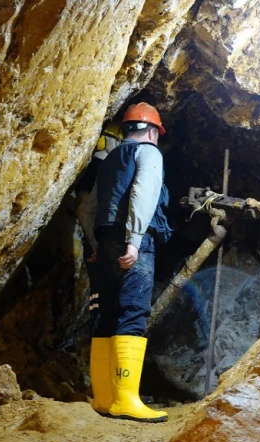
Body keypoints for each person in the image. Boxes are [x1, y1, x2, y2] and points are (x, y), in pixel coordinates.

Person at [89, 102, 172, 423]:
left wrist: (97, 244)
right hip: (133, 241)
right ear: (153, 131)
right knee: (132, 311)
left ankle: (103, 398)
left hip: (106, 242)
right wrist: (135, 241)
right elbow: (144, 192)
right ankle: (125, 399)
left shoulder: (109, 160)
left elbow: (89, 206)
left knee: (106, 313)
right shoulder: (150, 153)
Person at [74, 123, 123, 317]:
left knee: (102, 296)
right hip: (98, 241)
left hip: (96, 239)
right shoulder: (100, 169)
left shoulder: (93, 169)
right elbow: (84, 209)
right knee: (105, 294)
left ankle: (101, 328)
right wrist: (97, 245)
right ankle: (102, 330)